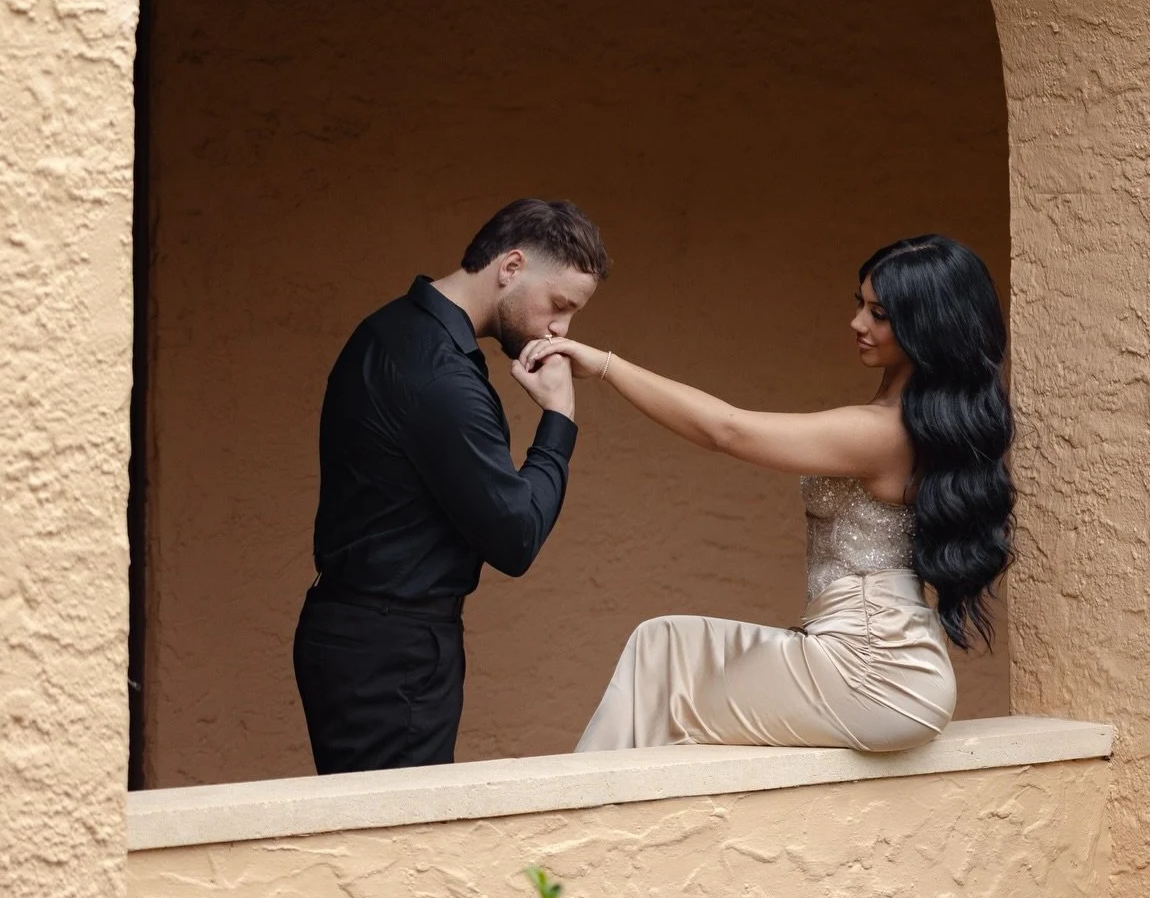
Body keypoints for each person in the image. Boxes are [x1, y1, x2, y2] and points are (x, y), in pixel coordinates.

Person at [523, 234, 1013, 755]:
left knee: (663, 672)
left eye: (879, 313)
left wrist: (602, 365)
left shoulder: (880, 433)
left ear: (926, 328)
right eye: (860, 304)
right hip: (881, 661)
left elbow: (727, 431)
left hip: (874, 672)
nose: (857, 324)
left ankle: (591, 823)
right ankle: (605, 819)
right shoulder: (916, 426)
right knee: (660, 645)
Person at [293, 198, 608, 773]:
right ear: (510, 268)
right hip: (393, 654)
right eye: (559, 306)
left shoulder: (386, 330)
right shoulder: (441, 374)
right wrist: (559, 419)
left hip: (360, 636)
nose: (561, 330)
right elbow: (515, 537)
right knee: (396, 847)